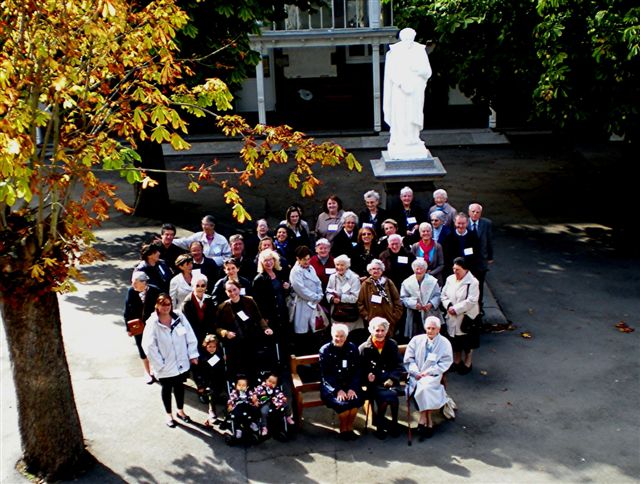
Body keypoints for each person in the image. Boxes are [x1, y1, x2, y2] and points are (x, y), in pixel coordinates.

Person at [141, 293, 199, 428]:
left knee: (179, 387)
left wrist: (192, 354)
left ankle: (180, 411)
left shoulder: (178, 316)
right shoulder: (153, 323)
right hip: (165, 366)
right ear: (157, 305)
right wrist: (159, 364)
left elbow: (190, 335)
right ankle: (169, 414)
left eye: (168, 304)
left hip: (181, 363)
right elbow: (148, 346)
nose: (166, 307)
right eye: (162, 304)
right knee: (166, 389)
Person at [383, 27, 432, 160]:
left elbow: (427, 72)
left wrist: (418, 70)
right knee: (400, 114)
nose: (408, 41)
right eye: (406, 38)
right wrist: (402, 83)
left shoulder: (419, 51)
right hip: (400, 90)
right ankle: (400, 140)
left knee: (413, 114)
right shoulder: (394, 52)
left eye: (411, 38)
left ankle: (413, 139)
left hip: (415, 90)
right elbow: (391, 72)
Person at [404, 316, 453, 440]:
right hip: (416, 374)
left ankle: (423, 418)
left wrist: (429, 372)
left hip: (433, 376)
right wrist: (416, 372)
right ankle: (428, 420)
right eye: (428, 328)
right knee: (422, 386)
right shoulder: (416, 340)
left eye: (433, 328)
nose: (430, 331)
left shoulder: (444, 343)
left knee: (425, 388)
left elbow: (445, 362)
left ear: (439, 329)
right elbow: (409, 359)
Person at [216, 281, 273, 381]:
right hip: (235, 343)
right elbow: (217, 327)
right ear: (226, 292)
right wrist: (225, 333)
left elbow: (259, 318)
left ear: (239, 289)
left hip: (251, 340)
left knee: (253, 367)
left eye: (234, 290)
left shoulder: (249, 301)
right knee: (239, 370)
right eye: (229, 291)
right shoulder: (223, 307)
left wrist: (266, 328)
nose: (233, 293)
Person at [358, 317, 403, 439]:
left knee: (392, 396)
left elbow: (399, 365)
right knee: (386, 398)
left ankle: (393, 423)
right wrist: (367, 376)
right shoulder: (363, 348)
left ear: (386, 330)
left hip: (390, 381)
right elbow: (358, 368)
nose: (380, 333)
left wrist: (392, 379)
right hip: (374, 383)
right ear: (371, 331)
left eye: (383, 330)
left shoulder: (392, 344)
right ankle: (380, 425)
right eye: (377, 330)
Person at [319, 324, 363, 440]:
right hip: (331, 386)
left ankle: (349, 428)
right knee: (343, 405)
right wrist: (338, 390)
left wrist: (352, 388)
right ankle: (343, 429)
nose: (339, 339)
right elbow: (326, 375)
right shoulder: (325, 350)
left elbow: (357, 370)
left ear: (346, 336)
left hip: (350, 385)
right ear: (332, 335)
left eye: (342, 336)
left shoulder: (352, 348)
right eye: (336, 336)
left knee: (356, 401)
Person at [441, 257, 480, 374]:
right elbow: (443, 295)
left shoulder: (473, 282)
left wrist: (456, 309)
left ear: (465, 270)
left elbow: (472, 300)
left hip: (466, 318)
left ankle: (468, 362)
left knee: (467, 343)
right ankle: (457, 361)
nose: (455, 272)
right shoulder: (450, 279)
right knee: (455, 341)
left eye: (458, 269)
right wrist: (448, 306)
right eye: (454, 269)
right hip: (452, 316)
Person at [182, 274, 217, 401]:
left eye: (203, 286)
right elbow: (187, 324)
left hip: (207, 338)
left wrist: (210, 336)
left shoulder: (209, 300)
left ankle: (210, 387)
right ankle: (201, 389)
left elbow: (213, 320)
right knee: (197, 364)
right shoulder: (188, 302)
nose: (200, 288)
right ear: (193, 286)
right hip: (194, 337)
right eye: (197, 286)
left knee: (208, 362)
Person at [123, 271, 160, 384]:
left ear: (144, 282)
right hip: (138, 326)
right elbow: (127, 311)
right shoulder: (131, 291)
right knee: (141, 347)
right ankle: (147, 372)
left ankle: (156, 370)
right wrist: (128, 328)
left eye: (135, 283)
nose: (133, 285)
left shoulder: (155, 290)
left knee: (155, 346)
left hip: (153, 324)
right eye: (132, 283)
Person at [252, 249, 291, 350]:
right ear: (261, 262)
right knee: (272, 342)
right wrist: (263, 318)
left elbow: (284, 294)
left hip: (282, 312)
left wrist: (286, 288)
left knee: (285, 340)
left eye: (271, 260)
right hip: (270, 315)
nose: (269, 263)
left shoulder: (279, 274)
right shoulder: (258, 279)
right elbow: (257, 301)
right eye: (266, 260)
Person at [289, 245, 324, 355]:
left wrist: (320, 294)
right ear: (298, 259)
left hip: (313, 304)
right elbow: (301, 290)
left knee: (314, 332)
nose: (307, 261)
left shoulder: (311, 268)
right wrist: (315, 297)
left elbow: (318, 282)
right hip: (301, 304)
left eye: (308, 259)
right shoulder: (295, 271)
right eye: (304, 259)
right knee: (302, 333)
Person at [357, 259, 403, 336]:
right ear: (369, 271)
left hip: (389, 319)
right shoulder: (365, 284)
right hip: (372, 319)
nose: (376, 271)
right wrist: (367, 316)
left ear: (382, 271)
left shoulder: (388, 282)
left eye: (379, 269)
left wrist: (395, 316)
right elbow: (360, 303)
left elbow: (397, 300)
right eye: (373, 269)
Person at [400, 259, 442, 341]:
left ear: (425, 269)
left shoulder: (433, 281)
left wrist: (431, 304)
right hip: (414, 314)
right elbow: (403, 298)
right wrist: (414, 304)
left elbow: (438, 295)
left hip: (430, 312)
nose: (419, 271)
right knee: (416, 338)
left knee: (432, 337)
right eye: (416, 268)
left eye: (421, 268)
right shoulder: (407, 282)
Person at [325, 254, 362, 333]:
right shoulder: (332, 277)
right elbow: (328, 292)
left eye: (342, 265)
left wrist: (340, 297)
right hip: (336, 314)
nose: (339, 267)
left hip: (350, 314)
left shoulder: (354, 278)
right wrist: (332, 298)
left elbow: (355, 298)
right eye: (337, 265)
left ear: (347, 266)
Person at [468, 203, 494, 314]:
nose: (475, 214)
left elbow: (489, 241)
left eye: (477, 212)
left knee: (479, 285)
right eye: (473, 211)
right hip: (468, 261)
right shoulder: (464, 223)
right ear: (469, 212)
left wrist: (490, 257)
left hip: (481, 261)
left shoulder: (486, 223)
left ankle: (479, 306)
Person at [253, 373, 295, 437]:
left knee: (286, 404)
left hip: (275, 402)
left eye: (273, 383)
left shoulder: (275, 389)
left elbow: (279, 394)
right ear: (266, 380)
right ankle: (264, 427)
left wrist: (282, 397)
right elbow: (255, 393)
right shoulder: (261, 387)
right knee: (263, 412)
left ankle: (288, 416)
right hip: (265, 403)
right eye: (269, 381)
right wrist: (255, 397)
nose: (271, 383)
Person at [198, 334, 226, 426]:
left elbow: (222, 365)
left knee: (219, 391)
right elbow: (201, 371)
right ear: (205, 346)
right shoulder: (203, 357)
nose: (212, 349)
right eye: (209, 346)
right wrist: (201, 385)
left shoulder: (219, 353)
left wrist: (223, 358)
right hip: (208, 380)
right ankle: (212, 411)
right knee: (212, 395)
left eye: (214, 346)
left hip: (219, 377)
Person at [442, 213, 480, 277]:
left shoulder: (473, 236)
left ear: (467, 223)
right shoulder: (449, 237)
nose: (461, 226)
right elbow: (446, 256)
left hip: (469, 271)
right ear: (455, 223)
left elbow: (476, 253)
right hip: (453, 271)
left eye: (463, 223)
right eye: (459, 223)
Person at [410, 222, 445, 286]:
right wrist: (420, 273)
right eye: (423, 231)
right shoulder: (415, 246)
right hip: (418, 279)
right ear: (420, 233)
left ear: (431, 233)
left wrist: (430, 274)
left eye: (428, 231)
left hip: (435, 279)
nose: (426, 233)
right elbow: (411, 263)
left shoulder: (438, 246)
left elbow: (441, 265)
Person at [227, 376, 260, 440]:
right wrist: (230, 405)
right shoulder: (234, 393)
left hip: (247, 407)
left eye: (243, 385)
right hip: (238, 407)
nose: (241, 387)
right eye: (239, 385)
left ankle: (251, 423)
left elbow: (252, 398)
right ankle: (238, 429)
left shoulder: (249, 392)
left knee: (254, 410)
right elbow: (231, 400)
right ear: (236, 386)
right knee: (236, 415)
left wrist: (255, 401)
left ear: (247, 387)